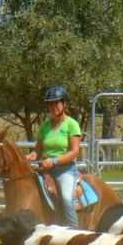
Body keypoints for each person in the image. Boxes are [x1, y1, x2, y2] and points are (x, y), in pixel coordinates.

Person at [25, 85, 82, 228]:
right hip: (45, 169)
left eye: (56, 103)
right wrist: (31, 156)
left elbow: (75, 152)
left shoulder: (72, 125)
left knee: (66, 198)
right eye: (50, 104)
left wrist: (55, 161)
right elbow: (37, 150)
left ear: (64, 104)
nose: (53, 106)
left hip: (65, 170)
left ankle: (74, 230)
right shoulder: (45, 127)